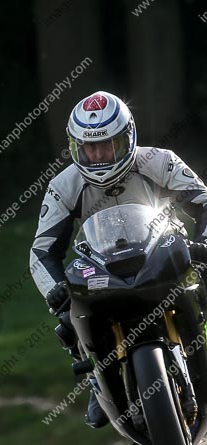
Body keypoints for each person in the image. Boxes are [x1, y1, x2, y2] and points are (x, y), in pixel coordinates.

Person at [29, 90, 207, 427]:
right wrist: (56, 291)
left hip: (162, 250)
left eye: (106, 145)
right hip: (103, 267)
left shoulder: (159, 160)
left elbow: (204, 202)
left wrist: (204, 242)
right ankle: (97, 382)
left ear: (127, 139)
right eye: (88, 148)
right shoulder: (63, 185)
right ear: (75, 147)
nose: (97, 156)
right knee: (69, 315)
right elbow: (42, 250)